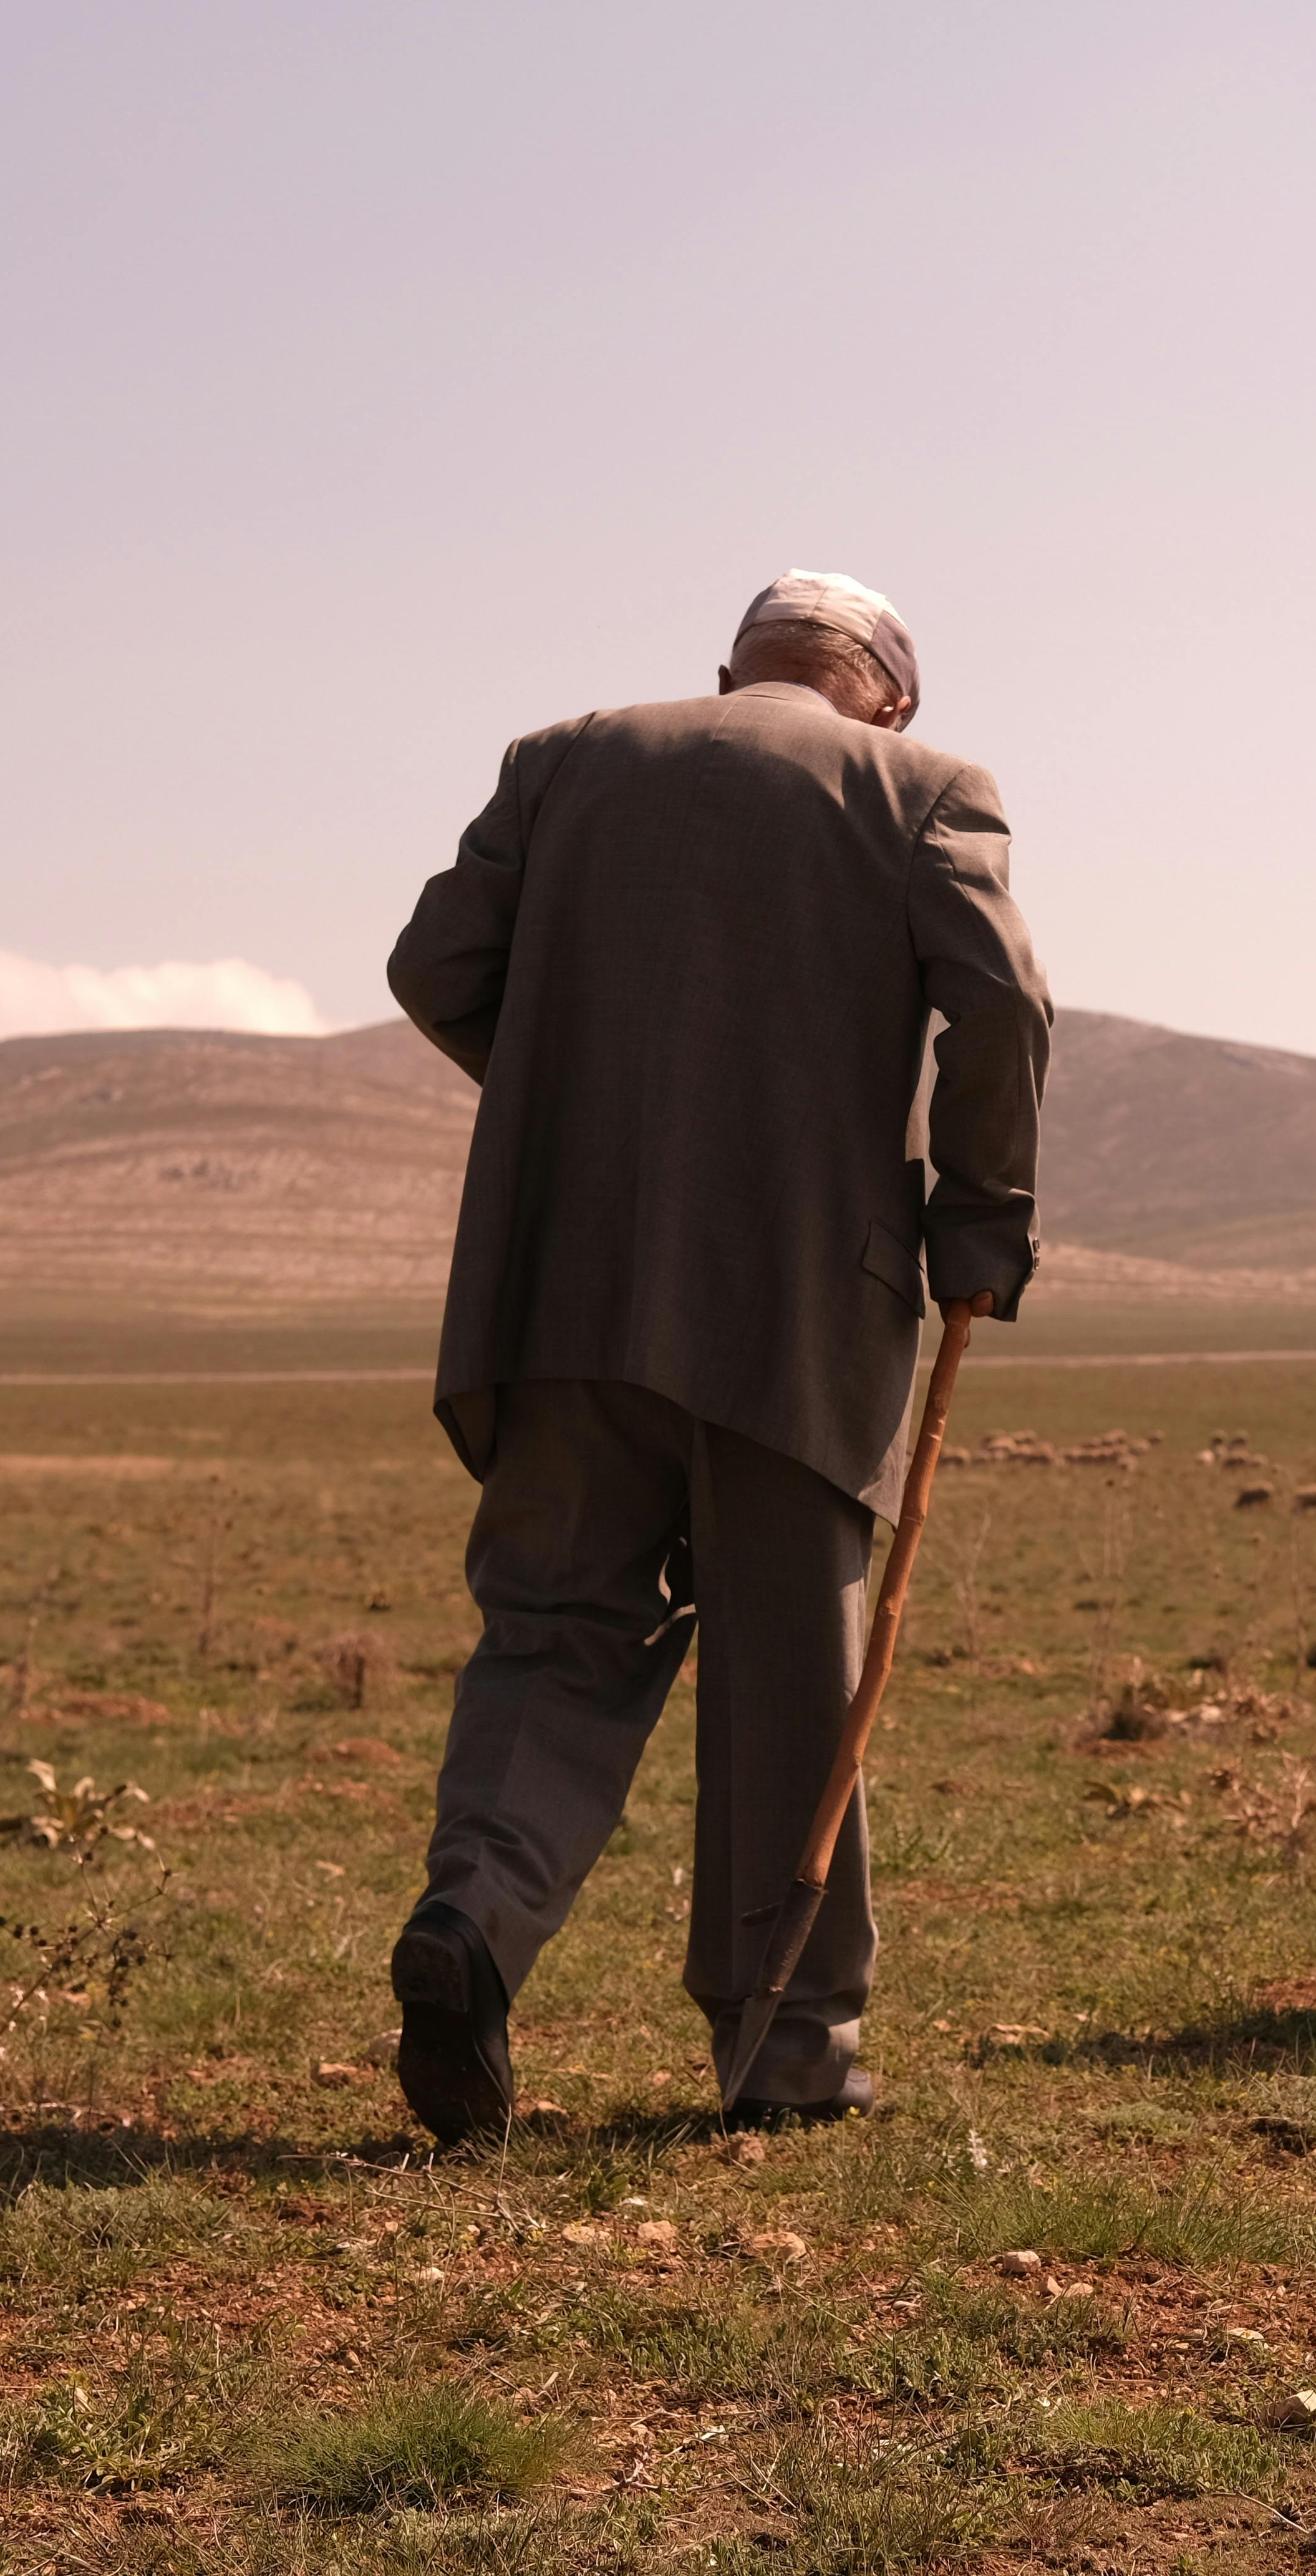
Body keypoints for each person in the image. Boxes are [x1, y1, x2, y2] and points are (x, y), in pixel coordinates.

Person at [382, 569, 1051, 2141]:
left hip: (559, 1287)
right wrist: (980, 1217)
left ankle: (472, 1918)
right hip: (793, 1297)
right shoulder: (919, 787)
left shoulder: (565, 759)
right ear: (884, 690)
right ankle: (785, 2045)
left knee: (551, 1629)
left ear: (733, 669)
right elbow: (1001, 1005)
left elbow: (432, 970)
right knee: (786, 1674)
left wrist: (574, 1095)